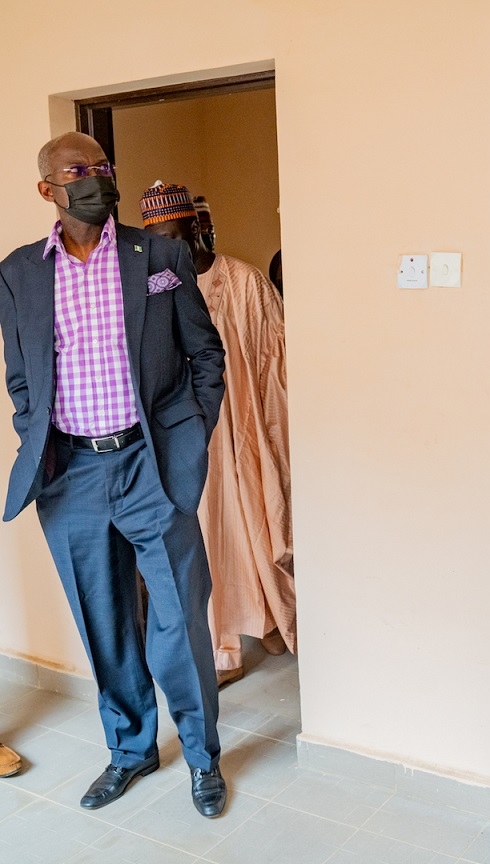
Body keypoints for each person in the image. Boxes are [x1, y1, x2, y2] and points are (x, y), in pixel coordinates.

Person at [0, 133, 228, 818]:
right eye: (79, 171)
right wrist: (36, 437)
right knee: (105, 622)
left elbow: (205, 356)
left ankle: (201, 756)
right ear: (48, 188)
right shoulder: (17, 273)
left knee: (180, 618)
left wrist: (190, 439)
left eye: (103, 169)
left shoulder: (159, 255)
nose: (96, 179)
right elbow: (20, 377)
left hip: (150, 463)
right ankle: (130, 750)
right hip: (69, 474)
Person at [140, 182, 295, 688]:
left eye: (175, 236)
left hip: (244, 425)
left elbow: (275, 361)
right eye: (157, 240)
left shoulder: (244, 281)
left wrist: (277, 431)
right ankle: (221, 647)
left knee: (256, 520)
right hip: (189, 433)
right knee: (208, 535)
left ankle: (268, 617)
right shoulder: (153, 288)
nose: (168, 248)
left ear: (197, 229)